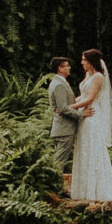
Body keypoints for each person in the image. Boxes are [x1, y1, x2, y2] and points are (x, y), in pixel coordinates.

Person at [67, 47, 112, 203]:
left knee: (94, 149)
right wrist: (70, 104)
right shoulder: (87, 75)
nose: (82, 62)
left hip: (93, 115)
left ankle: (98, 189)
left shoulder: (98, 77)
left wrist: (69, 108)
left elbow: (90, 99)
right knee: (84, 149)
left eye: (84, 60)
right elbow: (82, 96)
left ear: (91, 61)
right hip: (84, 116)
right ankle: (83, 189)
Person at [44, 56, 80, 192]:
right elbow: (63, 108)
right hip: (64, 129)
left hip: (63, 128)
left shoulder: (60, 82)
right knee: (59, 161)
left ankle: (53, 187)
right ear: (60, 68)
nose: (69, 67)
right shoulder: (59, 84)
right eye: (67, 66)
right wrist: (81, 115)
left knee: (59, 160)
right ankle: (52, 189)